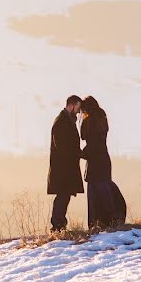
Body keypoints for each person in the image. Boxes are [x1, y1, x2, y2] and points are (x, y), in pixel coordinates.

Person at [79, 96, 127, 229]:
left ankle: (97, 223)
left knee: (95, 194)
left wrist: (80, 153)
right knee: (105, 191)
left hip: (95, 162)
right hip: (103, 160)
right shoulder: (101, 118)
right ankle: (112, 220)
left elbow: (86, 137)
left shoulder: (90, 121)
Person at [47, 95, 84, 231]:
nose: (79, 112)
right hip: (63, 169)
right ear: (71, 105)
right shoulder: (62, 122)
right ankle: (57, 226)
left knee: (64, 196)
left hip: (65, 168)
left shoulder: (66, 120)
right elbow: (63, 146)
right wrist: (79, 154)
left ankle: (59, 225)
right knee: (62, 196)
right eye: (78, 108)